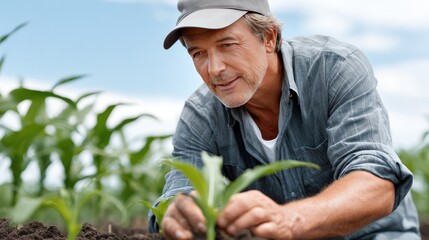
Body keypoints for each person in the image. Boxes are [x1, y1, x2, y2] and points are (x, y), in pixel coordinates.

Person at [148, 0, 421, 239]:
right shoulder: (200, 116)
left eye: (227, 45)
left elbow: (377, 182)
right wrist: (179, 213)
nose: (215, 68)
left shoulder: (334, 69)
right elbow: (178, 193)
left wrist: (289, 220)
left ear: (268, 37)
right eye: (198, 54)